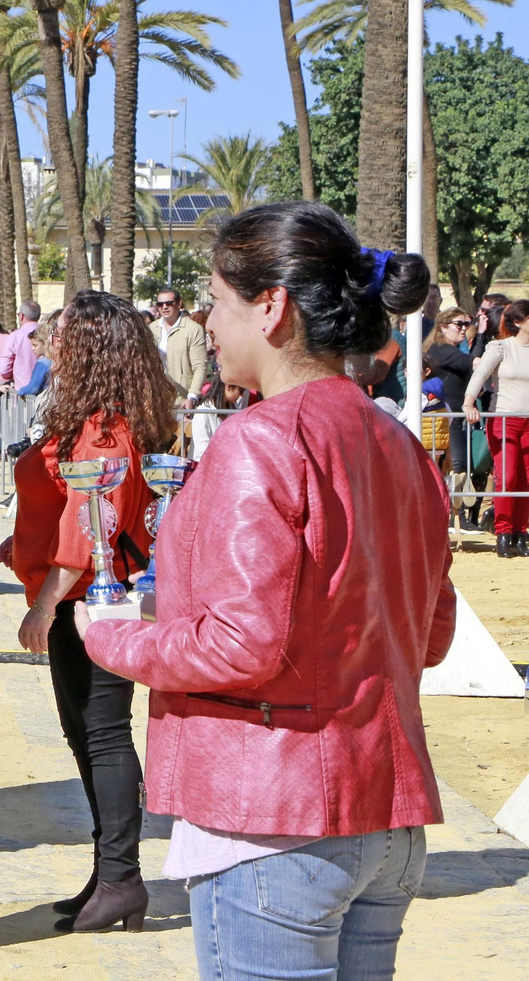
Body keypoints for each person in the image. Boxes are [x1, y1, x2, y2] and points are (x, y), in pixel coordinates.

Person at [80, 203, 452, 981]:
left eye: (216, 300)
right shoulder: (395, 441)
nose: (208, 322)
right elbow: (431, 630)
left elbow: (245, 640)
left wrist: (115, 637)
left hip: (274, 816)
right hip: (383, 809)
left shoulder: (263, 439)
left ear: (272, 307)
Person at [0, 290, 175, 935]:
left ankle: (122, 878)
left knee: (101, 734)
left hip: (88, 601)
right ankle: (109, 872)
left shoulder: (105, 426)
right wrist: (23, 548)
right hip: (71, 592)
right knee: (86, 735)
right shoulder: (91, 419)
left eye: (62, 333)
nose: (49, 341)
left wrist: (43, 603)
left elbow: (89, 523)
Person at [465, 298, 529, 558]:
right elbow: (479, 375)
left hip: (528, 420)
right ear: (517, 322)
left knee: (526, 478)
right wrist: (469, 402)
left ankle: (520, 531)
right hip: (504, 418)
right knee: (507, 477)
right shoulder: (500, 347)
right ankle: (503, 531)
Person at [425, 306, 479, 523]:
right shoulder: (440, 350)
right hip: (444, 419)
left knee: (460, 466)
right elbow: (475, 363)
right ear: (443, 327)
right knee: (456, 467)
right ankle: (458, 518)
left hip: (452, 417)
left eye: (467, 324)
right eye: (459, 324)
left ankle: (460, 516)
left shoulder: (448, 349)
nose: (464, 328)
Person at [153, 287, 207, 410]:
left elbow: (200, 366)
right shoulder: (151, 329)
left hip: (182, 401)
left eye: (169, 303)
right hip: (156, 399)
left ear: (178, 304)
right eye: (160, 304)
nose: (164, 307)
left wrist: (192, 396)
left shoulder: (194, 329)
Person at [0, 300, 41, 389]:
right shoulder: (47, 334)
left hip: (22, 392)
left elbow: (4, 369)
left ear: (22, 316)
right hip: (45, 393)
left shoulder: (15, 336)